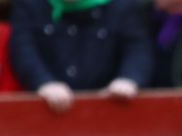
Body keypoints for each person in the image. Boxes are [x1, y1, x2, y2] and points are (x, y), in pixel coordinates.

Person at [9, 0, 150, 112]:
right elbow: (23, 49)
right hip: (48, 110)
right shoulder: (30, 5)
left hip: (109, 106)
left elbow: (138, 48)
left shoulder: (121, 6)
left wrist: (128, 79)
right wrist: (44, 82)